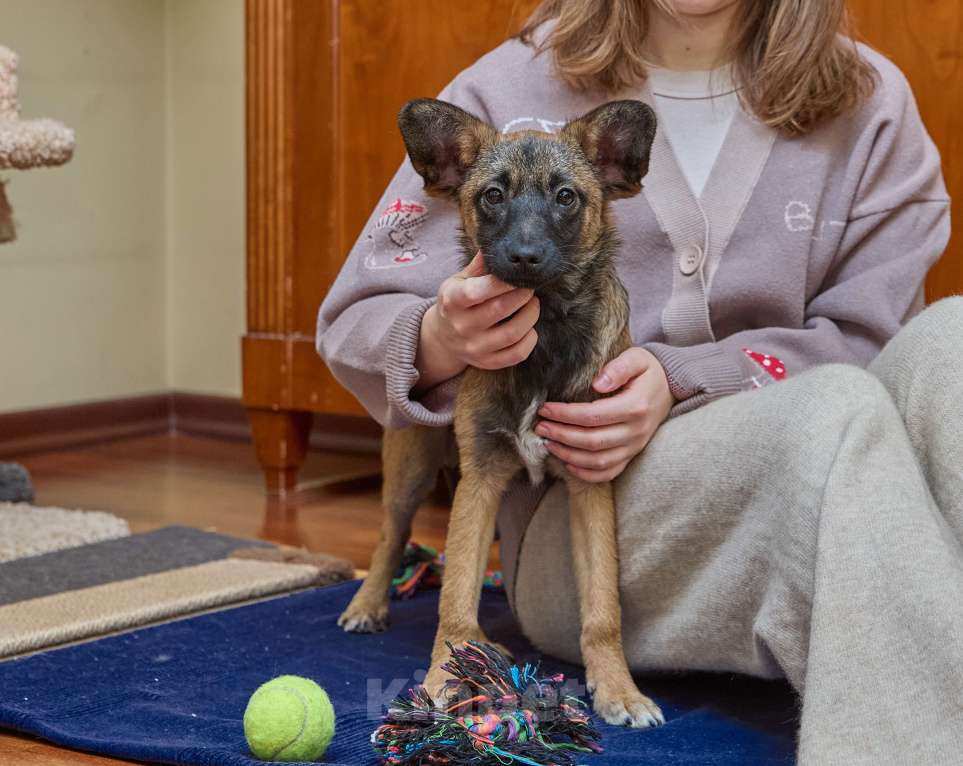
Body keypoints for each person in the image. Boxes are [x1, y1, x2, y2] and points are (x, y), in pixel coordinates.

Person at [317, 1, 961, 762]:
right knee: (835, 409)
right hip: (589, 527)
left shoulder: (868, 101)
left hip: (822, 470)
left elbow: (876, 338)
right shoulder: (504, 89)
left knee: (951, 339)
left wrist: (680, 376)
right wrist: (440, 335)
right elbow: (354, 319)